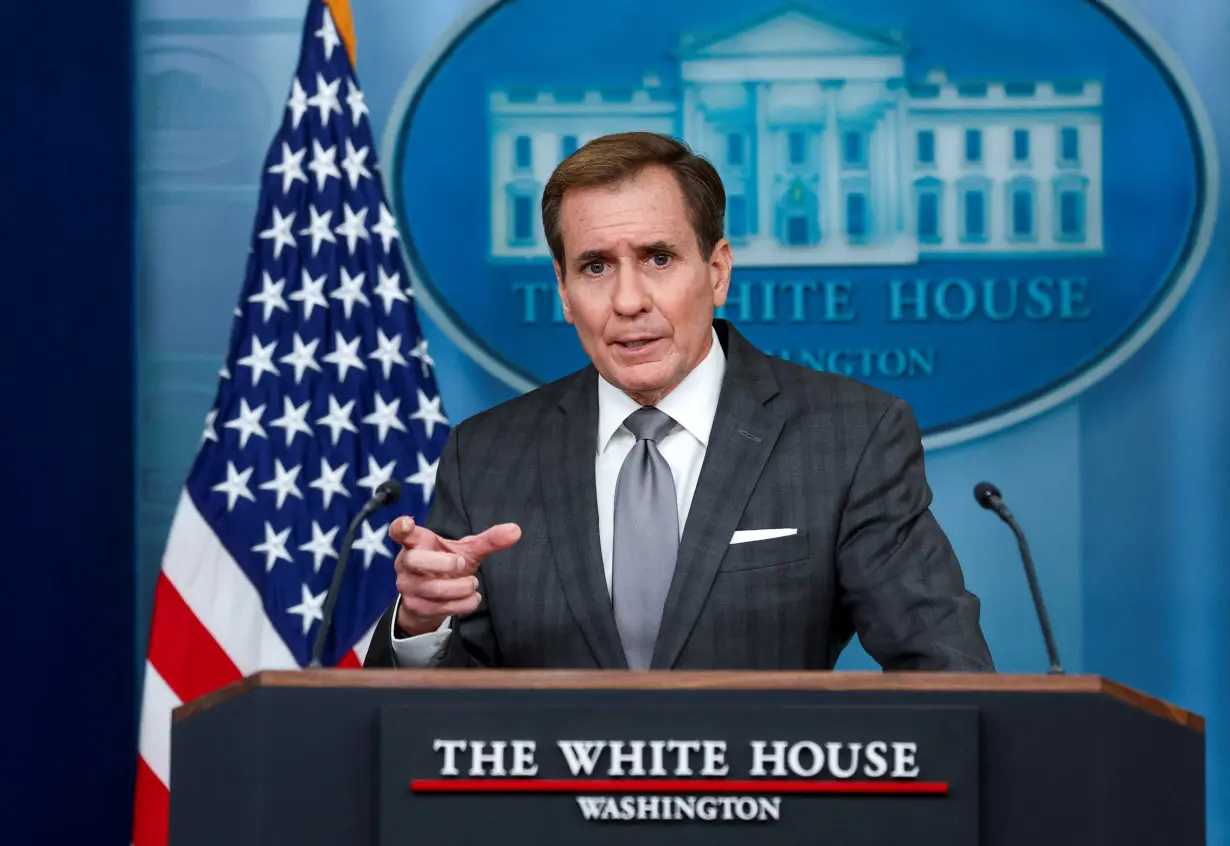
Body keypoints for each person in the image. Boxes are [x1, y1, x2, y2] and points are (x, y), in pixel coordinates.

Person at [363, 131, 994, 672]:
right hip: (546, 813)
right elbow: (430, 724)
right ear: (562, 289)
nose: (629, 299)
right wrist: (421, 625)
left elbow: (943, 667)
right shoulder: (486, 454)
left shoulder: (849, 435)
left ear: (717, 270)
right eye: (594, 267)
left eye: (658, 258)